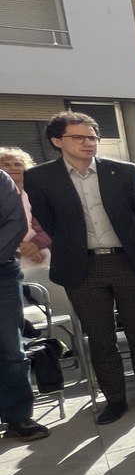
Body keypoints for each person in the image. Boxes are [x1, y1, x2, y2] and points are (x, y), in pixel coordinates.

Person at [25, 112, 135, 425]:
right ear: (57, 141)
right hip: (82, 268)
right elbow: (49, 220)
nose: (88, 143)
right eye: (78, 137)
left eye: (92, 137)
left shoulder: (123, 171)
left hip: (127, 262)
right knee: (101, 337)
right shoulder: (41, 177)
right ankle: (115, 400)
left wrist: (131, 246)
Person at [0, 169, 48, 441]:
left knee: (10, 348)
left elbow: (15, 222)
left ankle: (18, 416)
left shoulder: (0, 179)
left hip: (1, 272)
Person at [0, 148, 51, 268]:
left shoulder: (40, 194)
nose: (13, 168)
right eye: (6, 165)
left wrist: (35, 244)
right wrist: (17, 247)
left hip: (41, 254)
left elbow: (52, 223)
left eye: (18, 164)